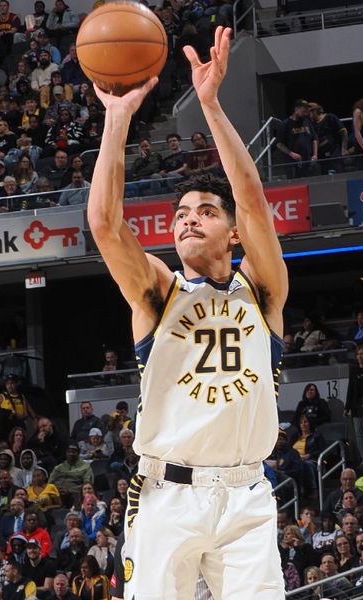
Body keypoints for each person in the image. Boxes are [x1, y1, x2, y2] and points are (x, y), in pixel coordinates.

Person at [86, 27, 286, 599]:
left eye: (204, 211)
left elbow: (252, 200)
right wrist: (117, 118)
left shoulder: (263, 290)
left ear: (232, 233)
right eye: (180, 214)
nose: (188, 219)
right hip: (165, 496)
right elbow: (104, 224)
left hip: (246, 495)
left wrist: (211, 106)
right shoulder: (158, 292)